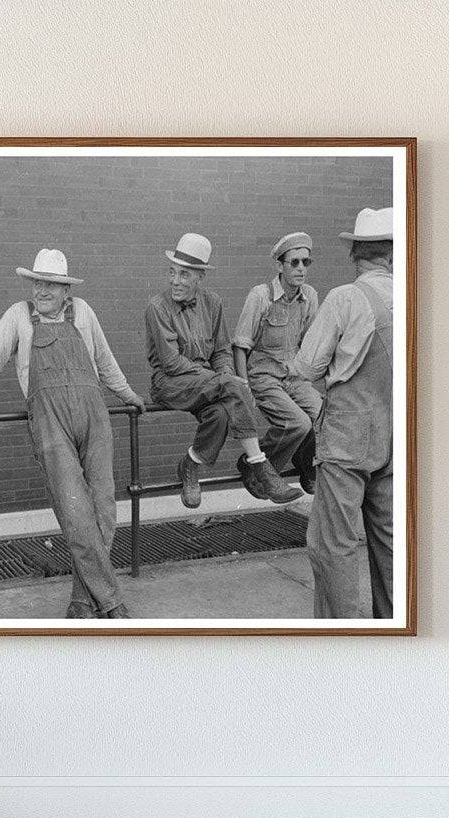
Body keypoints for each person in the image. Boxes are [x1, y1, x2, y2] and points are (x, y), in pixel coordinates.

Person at [0, 249, 146, 620]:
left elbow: (105, 362)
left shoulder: (85, 312)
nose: (42, 290)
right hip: (50, 424)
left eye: (51, 284)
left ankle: (82, 602)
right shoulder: (17, 316)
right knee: (77, 514)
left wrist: (128, 396)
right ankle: (111, 601)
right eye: (37, 283)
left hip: (95, 418)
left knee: (104, 512)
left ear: (66, 290)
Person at [144, 232, 303, 509]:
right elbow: (170, 363)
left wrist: (225, 376)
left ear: (199, 277)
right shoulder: (157, 307)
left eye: (184, 275)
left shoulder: (213, 302)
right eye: (173, 273)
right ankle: (259, 465)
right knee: (232, 386)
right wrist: (225, 381)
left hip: (207, 382)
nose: (175, 281)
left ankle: (190, 465)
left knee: (218, 414)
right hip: (170, 382)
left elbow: (220, 352)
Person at [292, 208, 395, 619]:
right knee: (390, 542)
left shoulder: (346, 297)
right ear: (392, 255)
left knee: (335, 542)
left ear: (356, 253)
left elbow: (305, 367)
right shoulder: (411, 297)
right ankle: (394, 628)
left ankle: (344, 638)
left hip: (348, 433)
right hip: (396, 431)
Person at [232, 231, 321, 493]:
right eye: (294, 262)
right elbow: (240, 345)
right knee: (298, 423)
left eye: (306, 262)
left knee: (322, 417)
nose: (301, 268)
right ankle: (256, 467)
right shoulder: (260, 296)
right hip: (264, 376)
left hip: (294, 376)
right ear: (280, 265)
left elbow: (309, 344)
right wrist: (243, 386)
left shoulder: (310, 297)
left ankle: (304, 463)